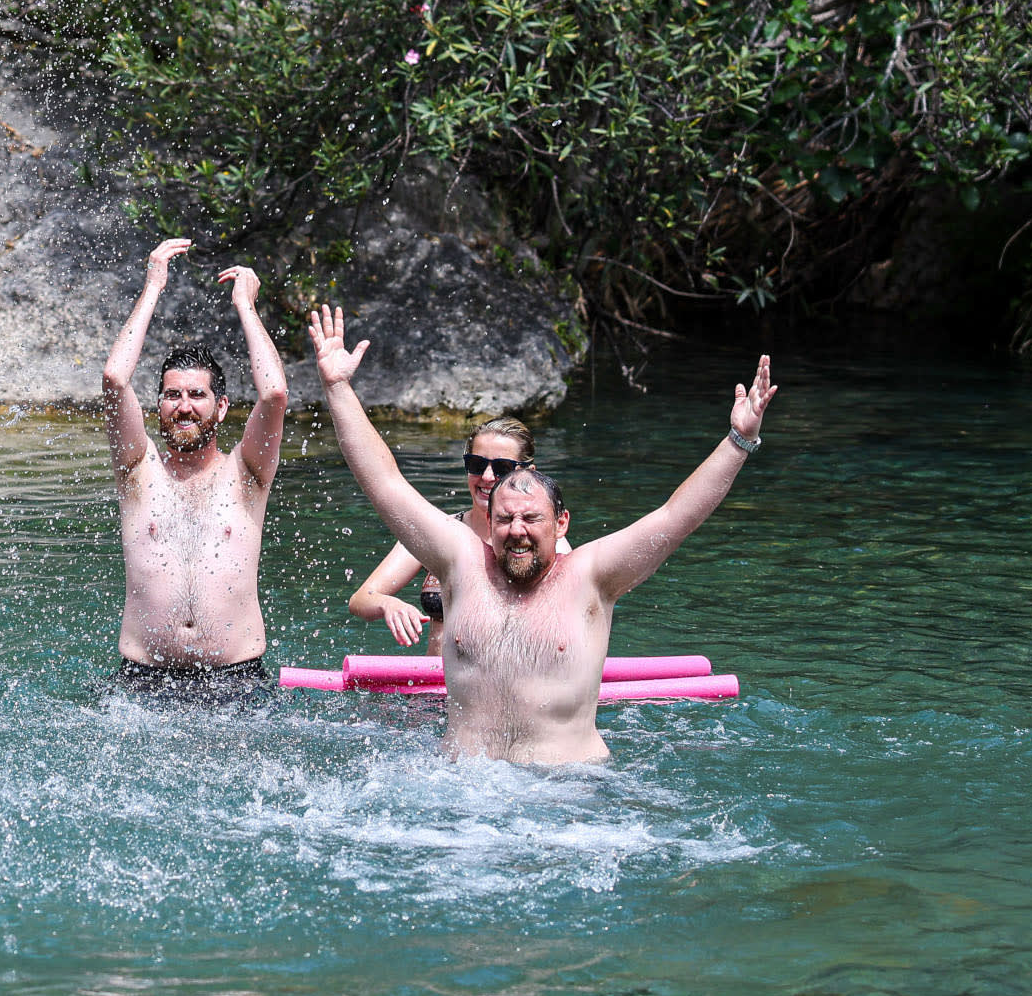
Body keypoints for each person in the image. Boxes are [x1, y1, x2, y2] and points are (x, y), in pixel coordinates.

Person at [309, 304, 777, 766]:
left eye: (531, 519)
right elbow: (386, 483)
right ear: (489, 521)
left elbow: (675, 516)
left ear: (561, 523)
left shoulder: (592, 575)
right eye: (504, 519)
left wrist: (738, 442)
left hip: (568, 790)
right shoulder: (460, 561)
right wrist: (337, 387)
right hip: (459, 789)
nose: (517, 531)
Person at [101, 239, 289, 696]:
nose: (183, 407)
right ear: (158, 405)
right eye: (172, 395)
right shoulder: (137, 468)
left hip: (236, 681)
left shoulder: (247, 473)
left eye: (197, 395)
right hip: (142, 682)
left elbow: (274, 394)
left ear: (221, 407)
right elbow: (114, 379)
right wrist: (152, 286)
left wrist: (246, 307)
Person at [347, 417, 542, 646]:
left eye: (503, 468)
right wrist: (388, 604)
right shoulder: (436, 531)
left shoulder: (539, 543)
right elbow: (361, 599)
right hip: (435, 670)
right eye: (477, 464)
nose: (487, 477)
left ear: (528, 473)